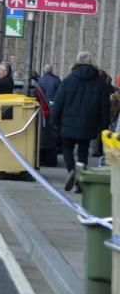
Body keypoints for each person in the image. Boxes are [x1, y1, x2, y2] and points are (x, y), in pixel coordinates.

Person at [55, 52, 112, 193]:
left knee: (67, 149)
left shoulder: (68, 80)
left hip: (68, 122)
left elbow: (58, 102)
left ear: (77, 62)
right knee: (83, 152)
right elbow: (104, 106)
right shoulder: (100, 82)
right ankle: (80, 181)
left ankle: (71, 171)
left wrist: (54, 120)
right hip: (89, 123)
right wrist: (104, 125)